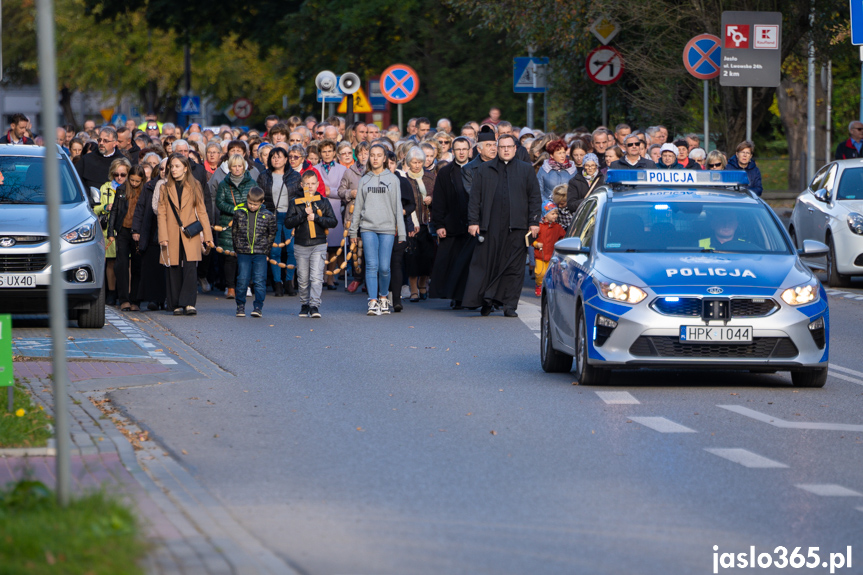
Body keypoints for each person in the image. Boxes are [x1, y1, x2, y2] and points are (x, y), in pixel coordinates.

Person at [463, 134, 541, 317]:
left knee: (514, 268)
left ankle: (509, 305)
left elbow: (535, 197)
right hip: (490, 225)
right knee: (488, 264)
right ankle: (487, 300)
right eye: (502, 147)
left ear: (515, 148)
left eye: (509, 147)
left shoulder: (526, 170)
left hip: (518, 226)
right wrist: (473, 221)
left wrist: (534, 222)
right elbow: (475, 198)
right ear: (497, 149)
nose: (506, 150)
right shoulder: (484, 169)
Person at [349, 144, 406, 316]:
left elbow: (398, 207)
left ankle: (383, 297)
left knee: (384, 267)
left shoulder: (393, 180)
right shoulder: (364, 180)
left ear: (385, 159)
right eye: (372, 155)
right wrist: (353, 231)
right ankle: (372, 301)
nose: (374, 158)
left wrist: (401, 231)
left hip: (387, 228)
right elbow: (357, 208)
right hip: (368, 228)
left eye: (378, 155)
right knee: (372, 265)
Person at [157, 154, 215, 315]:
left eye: (176, 166)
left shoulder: (195, 184)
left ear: (185, 168)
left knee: (190, 267)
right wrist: (163, 235)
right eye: (171, 166)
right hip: (171, 231)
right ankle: (175, 304)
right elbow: (161, 213)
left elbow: (201, 210)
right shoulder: (164, 187)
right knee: (173, 267)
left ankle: (189, 303)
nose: (173, 169)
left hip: (191, 232)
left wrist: (208, 236)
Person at [429, 136, 475, 308]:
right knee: (454, 264)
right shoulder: (445, 172)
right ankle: (456, 297)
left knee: (470, 265)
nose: (461, 152)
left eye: (464, 149)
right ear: (453, 151)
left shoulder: (478, 169)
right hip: (452, 225)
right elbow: (439, 200)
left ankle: (470, 297)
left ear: (470, 150)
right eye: (458, 149)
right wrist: (439, 224)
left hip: (473, 225)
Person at [286, 171, 338, 318]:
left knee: (316, 276)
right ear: (302, 185)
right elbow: (288, 223)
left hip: (318, 243)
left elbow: (333, 221)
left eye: (313, 183)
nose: (310, 186)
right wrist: (303, 214)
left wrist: (316, 217)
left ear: (317, 185)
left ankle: (314, 305)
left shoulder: (322, 201)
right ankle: (304, 304)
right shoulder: (295, 202)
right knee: (303, 278)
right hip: (301, 244)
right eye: (307, 184)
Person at [258, 146, 300, 297]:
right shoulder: (264, 176)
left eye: (279, 157)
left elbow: (299, 197)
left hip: (289, 216)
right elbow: (259, 197)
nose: (276, 159)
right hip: (272, 216)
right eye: (273, 157)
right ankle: (277, 283)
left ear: (286, 159)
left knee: (292, 250)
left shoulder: (294, 176)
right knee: (274, 250)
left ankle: (289, 282)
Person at [232, 187, 277, 318]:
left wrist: (266, 249)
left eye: (255, 204)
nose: (252, 206)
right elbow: (234, 231)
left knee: (259, 280)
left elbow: (272, 233)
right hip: (243, 251)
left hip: (260, 252)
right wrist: (237, 248)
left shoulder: (268, 215)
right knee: (242, 279)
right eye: (250, 203)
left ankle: (258, 306)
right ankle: (240, 305)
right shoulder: (239, 213)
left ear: (262, 202)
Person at [216, 155, 257, 299]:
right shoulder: (223, 184)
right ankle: (230, 287)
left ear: (244, 167)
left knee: (246, 256)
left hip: (247, 222)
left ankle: (245, 284)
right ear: (230, 167)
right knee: (229, 257)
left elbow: (256, 200)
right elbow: (219, 202)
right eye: (234, 166)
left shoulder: (252, 183)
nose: (237, 168)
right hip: (229, 223)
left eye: (240, 166)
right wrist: (234, 209)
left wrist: (246, 209)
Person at [107, 164, 147, 311]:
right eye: (132, 180)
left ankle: (135, 299)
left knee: (137, 266)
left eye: (137, 181)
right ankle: (123, 298)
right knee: (122, 265)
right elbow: (115, 211)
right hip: (123, 230)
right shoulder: (122, 189)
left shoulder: (145, 191)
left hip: (139, 232)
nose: (134, 184)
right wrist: (111, 232)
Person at [400, 146, 436, 302]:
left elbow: (439, 195)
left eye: (420, 162)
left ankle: (423, 284)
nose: (417, 165)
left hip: (428, 223)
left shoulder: (431, 178)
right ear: (408, 162)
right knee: (413, 257)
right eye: (414, 162)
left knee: (428, 257)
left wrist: (432, 199)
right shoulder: (404, 179)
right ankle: (414, 289)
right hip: (412, 223)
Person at [132, 158, 167, 310]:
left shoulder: (175, 186)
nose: (164, 172)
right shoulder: (150, 186)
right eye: (161, 169)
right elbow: (140, 208)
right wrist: (136, 230)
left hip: (168, 232)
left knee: (165, 268)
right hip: (151, 229)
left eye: (167, 168)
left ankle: (165, 299)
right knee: (152, 266)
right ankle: (153, 299)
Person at [314, 139, 348, 290]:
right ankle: (319, 276)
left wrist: (330, 191)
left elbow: (343, 191)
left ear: (334, 153)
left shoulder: (342, 169)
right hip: (318, 208)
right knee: (321, 245)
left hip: (335, 209)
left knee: (334, 246)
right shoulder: (314, 169)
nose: (327, 154)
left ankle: (330, 277)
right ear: (320, 153)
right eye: (324, 151)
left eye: (329, 151)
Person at [337, 141, 370, 293]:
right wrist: (350, 193)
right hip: (353, 213)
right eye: (361, 153)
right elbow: (340, 191)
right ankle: (357, 278)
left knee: (368, 248)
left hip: (370, 215)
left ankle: (368, 280)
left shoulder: (374, 171)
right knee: (355, 247)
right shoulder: (350, 171)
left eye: (367, 153)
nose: (364, 156)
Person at [98, 158, 132, 306]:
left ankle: (127, 293)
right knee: (111, 262)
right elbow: (95, 208)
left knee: (127, 263)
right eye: (116, 174)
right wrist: (106, 207)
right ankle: (111, 293)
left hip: (125, 228)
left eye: (123, 174)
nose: (119, 177)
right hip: (109, 230)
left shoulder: (131, 188)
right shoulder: (104, 188)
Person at [76, 126, 126, 193]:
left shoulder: (122, 161)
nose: (101, 143)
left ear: (115, 143)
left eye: (105, 141)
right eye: (99, 140)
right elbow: (77, 181)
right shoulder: (87, 159)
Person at [532, 202, 566, 296]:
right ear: (545, 215)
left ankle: (547, 288)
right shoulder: (539, 226)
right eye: (553, 213)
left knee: (550, 274)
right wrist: (536, 244)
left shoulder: (558, 227)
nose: (555, 215)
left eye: (556, 213)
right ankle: (539, 284)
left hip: (552, 255)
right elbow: (531, 239)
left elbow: (564, 236)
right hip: (540, 255)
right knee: (539, 272)